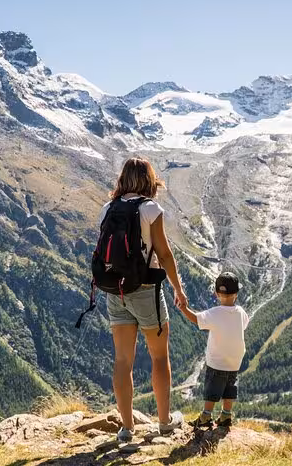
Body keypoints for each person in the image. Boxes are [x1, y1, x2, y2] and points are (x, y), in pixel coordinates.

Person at [99, 157, 187, 441]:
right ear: (149, 179)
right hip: (147, 290)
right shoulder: (150, 209)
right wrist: (178, 288)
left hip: (117, 290)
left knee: (123, 360)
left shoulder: (107, 209)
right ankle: (164, 422)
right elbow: (163, 253)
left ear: (123, 179)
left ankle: (126, 429)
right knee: (159, 357)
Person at [177, 272, 249, 427]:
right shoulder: (241, 311)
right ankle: (226, 415)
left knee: (212, 389)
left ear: (217, 293)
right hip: (235, 360)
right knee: (230, 387)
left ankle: (205, 416)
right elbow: (244, 325)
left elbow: (196, 319)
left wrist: (184, 308)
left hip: (217, 360)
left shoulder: (214, 313)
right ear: (236, 293)